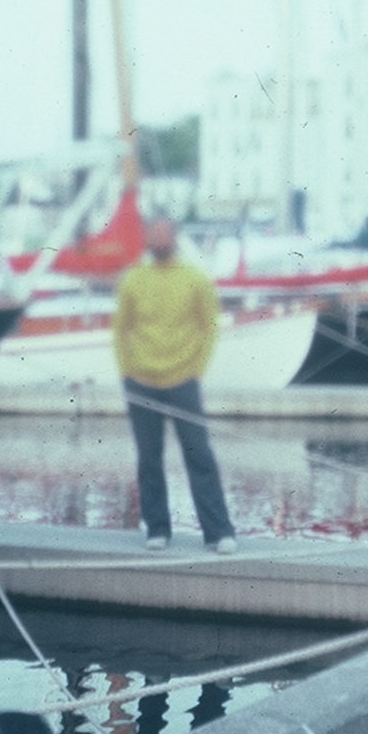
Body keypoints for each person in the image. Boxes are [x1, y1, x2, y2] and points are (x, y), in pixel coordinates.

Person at [112, 215, 237, 553]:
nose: (159, 239)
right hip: (141, 381)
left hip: (183, 379)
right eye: (153, 234)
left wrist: (196, 369)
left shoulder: (195, 279)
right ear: (146, 239)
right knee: (148, 458)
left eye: (164, 233)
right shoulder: (133, 279)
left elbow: (208, 326)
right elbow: (121, 328)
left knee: (199, 455)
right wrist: (126, 372)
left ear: (175, 237)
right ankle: (157, 528)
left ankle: (219, 531)